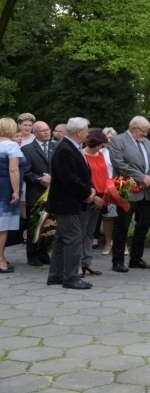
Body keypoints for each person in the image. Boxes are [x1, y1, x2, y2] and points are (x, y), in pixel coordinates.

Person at [46, 118, 99, 289]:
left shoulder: (72, 147)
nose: (88, 132)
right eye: (86, 130)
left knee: (62, 238)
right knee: (74, 237)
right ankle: (70, 277)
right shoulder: (65, 149)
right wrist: (87, 193)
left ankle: (56, 275)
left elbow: (82, 174)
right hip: (66, 202)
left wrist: (90, 189)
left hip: (70, 201)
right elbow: (70, 179)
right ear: (78, 132)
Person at [109, 116, 150, 273]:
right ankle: (118, 261)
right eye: (144, 131)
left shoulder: (147, 142)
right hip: (127, 190)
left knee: (144, 224)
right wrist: (140, 177)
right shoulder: (118, 140)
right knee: (122, 225)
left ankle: (136, 259)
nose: (146, 134)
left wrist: (149, 177)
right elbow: (118, 163)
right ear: (134, 128)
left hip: (145, 190)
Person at [21, 121, 56, 266]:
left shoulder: (56, 146)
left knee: (50, 223)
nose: (47, 132)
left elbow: (61, 165)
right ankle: (32, 254)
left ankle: (44, 252)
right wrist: (39, 179)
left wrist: (53, 178)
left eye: (48, 129)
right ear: (35, 133)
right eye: (43, 131)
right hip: (36, 192)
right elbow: (25, 171)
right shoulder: (27, 149)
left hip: (53, 192)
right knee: (34, 224)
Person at [79, 128, 110, 277]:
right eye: (97, 145)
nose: (100, 148)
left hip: (101, 197)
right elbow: (83, 179)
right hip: (87, 197)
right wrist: (94, 195)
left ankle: (87, 261)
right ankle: (78, 263)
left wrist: (107, 194)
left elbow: (105, 175)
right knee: (81, 231)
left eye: (101, 145)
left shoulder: (101, 155)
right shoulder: (81, 156)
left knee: (91, 231)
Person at [0, 118, 24, 273]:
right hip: (5, 188)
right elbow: (13, 169)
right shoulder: (11, 145)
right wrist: (16, 190)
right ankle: (0, 260)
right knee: (2, 225)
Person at [99, 127, 119, 255]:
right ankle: (107, 243)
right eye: (106, 137)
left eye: (111, 137)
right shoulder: (99, 152)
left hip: (120, 186)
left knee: (122, 217)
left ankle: (122, 244)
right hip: (105, 187)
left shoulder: (120, 151)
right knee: (108, 217)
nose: (109, 140)